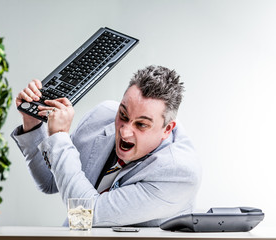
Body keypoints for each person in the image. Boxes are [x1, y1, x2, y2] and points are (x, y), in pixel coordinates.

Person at [11, 65, 202, 227]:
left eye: (141, 125)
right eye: (123, 115)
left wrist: (60, 138)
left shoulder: (179, 172)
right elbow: (49, 182)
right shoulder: (102, 116)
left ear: (167, 129)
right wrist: (33, 122)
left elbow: (85, 214)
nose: (124, 131)